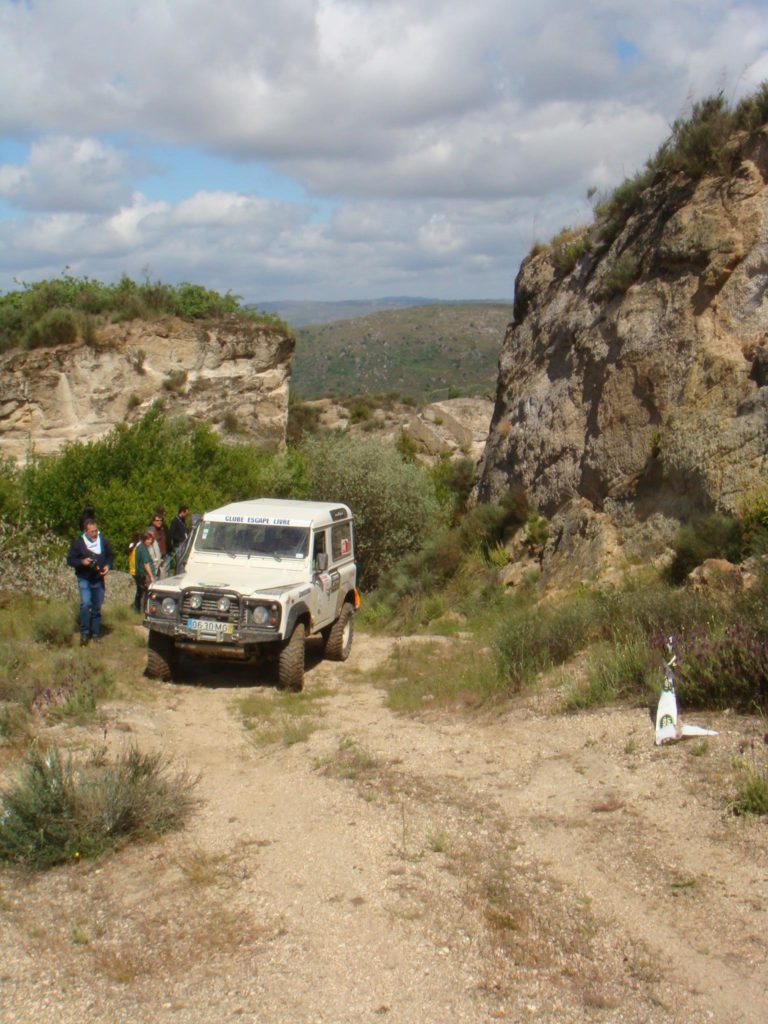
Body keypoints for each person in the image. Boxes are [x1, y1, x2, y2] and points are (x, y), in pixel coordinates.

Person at [66, 518, 114, 645]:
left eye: (96, 531)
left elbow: (110, 555)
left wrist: (108, 566)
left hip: (98, 578)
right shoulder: (78, 544)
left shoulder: (102, 541)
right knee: (86, 604)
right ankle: (84, 633)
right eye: (92, 531)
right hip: (84, 578)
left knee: (97, 607)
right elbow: (70, 560)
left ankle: (96, 633)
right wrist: (82, 562)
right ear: (85, 532)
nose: (94, 533)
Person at [133, 529, 157, 613]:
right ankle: (145, 611)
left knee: (140, 594)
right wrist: (151, 576)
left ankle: (138, 610)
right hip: (144, 575)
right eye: (148, 539)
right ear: (144, 539)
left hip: (140, 574)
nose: (150, 541)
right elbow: (146, 564)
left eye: (151, 540)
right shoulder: (143, 548)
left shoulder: (140, 547)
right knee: (147, 594)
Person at [147, 508, 170, 577]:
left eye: (161, 520)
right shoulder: (150, 531)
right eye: (157, 520)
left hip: (163, 557)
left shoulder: (162, 529)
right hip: (154, 559)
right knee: (154, 578)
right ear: (153, 521)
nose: (159, 522)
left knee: (163, 578)